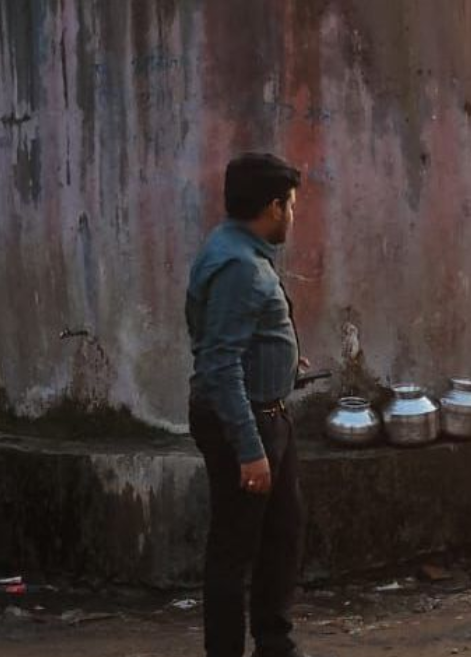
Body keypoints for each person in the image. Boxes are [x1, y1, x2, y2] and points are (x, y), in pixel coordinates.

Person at [186, 153, 308, 657]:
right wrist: (249, 450)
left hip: (268, 411)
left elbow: (236, 337)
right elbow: (219, 363)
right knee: (235, 549)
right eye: (292, 205)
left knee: (283, 532)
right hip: (247, 420)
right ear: (273, 206)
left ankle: (274, 643)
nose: (293, 216)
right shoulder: (239, 266)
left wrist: (283, 358)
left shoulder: (237, 249)